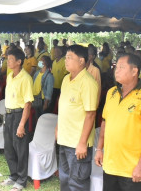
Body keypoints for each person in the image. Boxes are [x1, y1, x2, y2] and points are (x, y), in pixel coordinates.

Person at [94, 53, 141, 191]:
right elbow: (105, 123)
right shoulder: (111, 92)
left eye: (121, 67)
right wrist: (99, 149)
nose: (116, 70)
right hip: (110, 165)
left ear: (134, 71)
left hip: (132, 169)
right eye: (116, 67)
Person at [56, 45, 98, 191]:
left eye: (69, 57)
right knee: (64, 179)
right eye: (65, 57)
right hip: (64, 138)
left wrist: (82, 143)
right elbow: (63, 108)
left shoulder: (88, 82)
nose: (65, 60)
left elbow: (91, 114)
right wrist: (57, 128)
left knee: (77, 183)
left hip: (77, 143)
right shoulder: (66, 79)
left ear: (81, 61)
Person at [1, 48, 33, 191]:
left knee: (20, 148)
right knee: (8, 147)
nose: (8, 62)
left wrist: (21, 124)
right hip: (8, 114)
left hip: (19, 114)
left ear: (19, 62)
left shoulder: (26, 78)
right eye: (8, 59)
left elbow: (28, 104)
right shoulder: (9, 76)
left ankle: (21, 179)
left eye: (11, 59)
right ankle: (13, 175)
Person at [32, 55, 54, 121]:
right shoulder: (37, 73)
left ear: (46, 63)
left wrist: (46, 103)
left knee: (42, 117)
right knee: (36, 116)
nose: (39, 62)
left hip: (42, 100)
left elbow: (49, 91)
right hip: (35, 98)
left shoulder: (49, 76)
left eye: (41, 61)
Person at [48, 46, 68, 113]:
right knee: (52, 102)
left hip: (61, 87)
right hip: (54, 86)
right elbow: (52, 74)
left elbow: (66, 75)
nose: (54, 54)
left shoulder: (64, 62)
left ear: (61, 53)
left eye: (56, 52)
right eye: (54, 52)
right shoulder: (54, 62)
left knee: (61, 102)